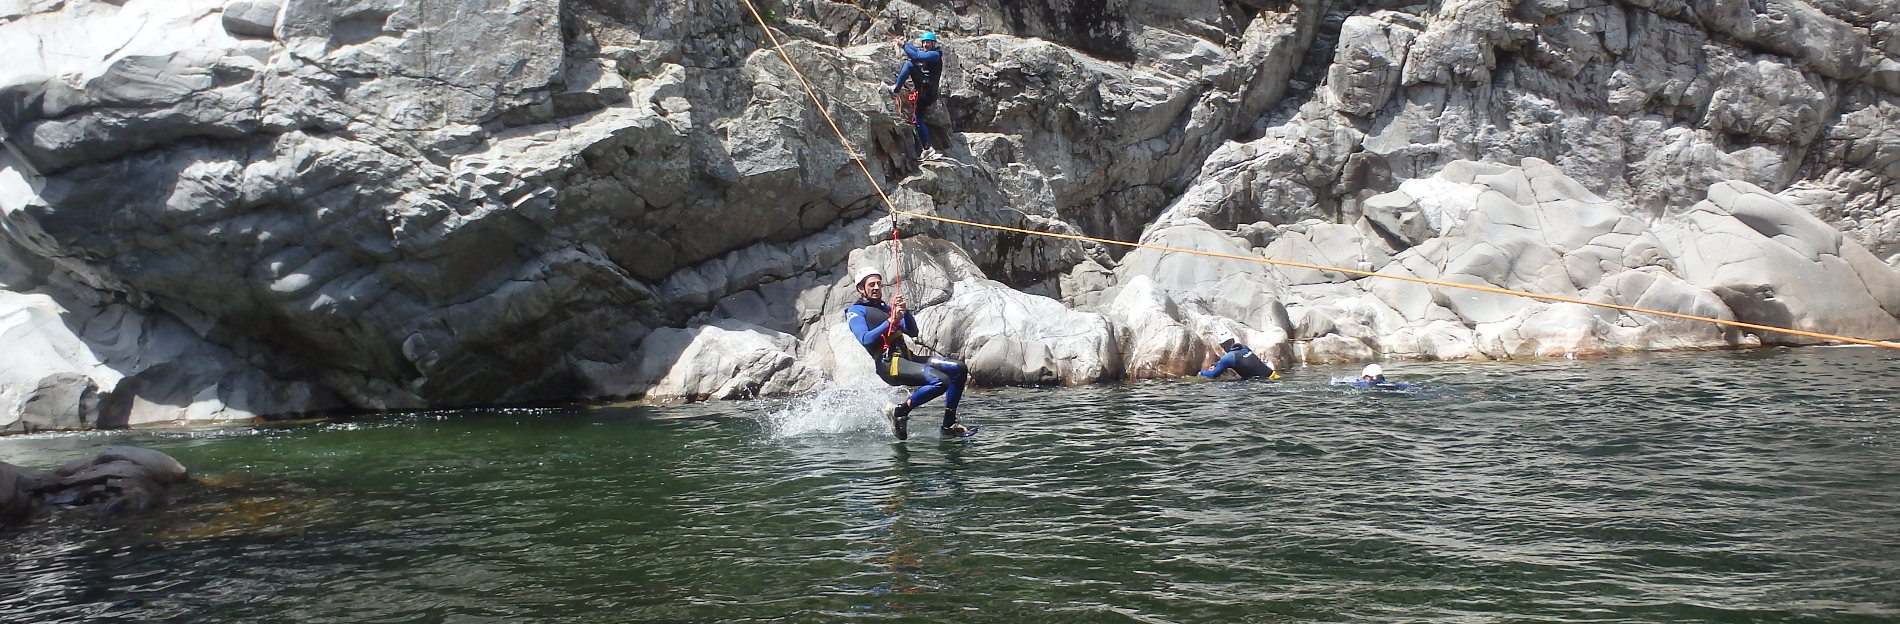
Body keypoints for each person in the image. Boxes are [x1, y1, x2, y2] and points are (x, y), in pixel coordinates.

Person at [844, 266, 972, 439]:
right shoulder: (856, 311)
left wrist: (905, 311)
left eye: (879, 284)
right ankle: (900, 411)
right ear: (861, 289)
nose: (876, 288)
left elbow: (912, 332)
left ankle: (948, 425)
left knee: (958, 368)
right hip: (889, 364)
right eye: (871, 284)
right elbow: (865, 338)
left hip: (908, 359)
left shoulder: (888, 309)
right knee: (940, 381)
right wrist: (891, 321)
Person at [891, 32, 944, 161]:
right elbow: (916, 51)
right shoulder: (929, 54)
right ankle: (927, 148)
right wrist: (905, 44)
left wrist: (903, 45)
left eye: (928, 43)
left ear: (933, 44)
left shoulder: (935, 55)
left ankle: (895, 89)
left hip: (926, 89)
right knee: (918, 119)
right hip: (926, 92)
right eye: (924, 42)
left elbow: (917, 55)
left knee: (909, 64)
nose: (925, 45)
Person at [1199, 337, 1278, 380]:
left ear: (1222, 346)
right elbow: (1244, 360)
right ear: (1233, 341)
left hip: (1263, 382)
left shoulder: (1228, 358)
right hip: (1273, 375)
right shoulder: (1244, 347)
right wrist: (1217, 365)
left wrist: (1201, 372)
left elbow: (1213, 374)